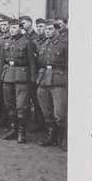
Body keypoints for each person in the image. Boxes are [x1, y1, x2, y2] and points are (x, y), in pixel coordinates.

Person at [0, 19, 37, 144]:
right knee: (9, 104)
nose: (12, 30)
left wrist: (32, 79)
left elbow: (32, 62)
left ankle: (21, 132)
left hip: (22, 76)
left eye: (14, 28)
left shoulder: (27, 42)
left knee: (21, 105)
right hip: (8, 75)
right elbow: (1, 60)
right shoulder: (6, 42)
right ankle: (13, 129)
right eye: (11, 28)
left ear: (20, 28)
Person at [36, 20, 68, 150]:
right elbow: (40, 62)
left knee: (59, 114)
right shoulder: (44, 44)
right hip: (44, 80)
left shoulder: (64, 44)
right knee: (46, 111)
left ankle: (64, 138)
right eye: (46, 29)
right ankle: (52, 136)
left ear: (56, 29)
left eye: (50, 29)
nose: (47, 31)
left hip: (58, 81)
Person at [20, 15, 44, 131]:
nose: (22, 25)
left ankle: (40, 123)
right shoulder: (24, 37)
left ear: (30, 23)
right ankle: (29, 122)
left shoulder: (35, 37)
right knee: (26, 99)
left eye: (23, 23)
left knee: (37, 99)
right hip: (27, 72)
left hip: (38, 71)